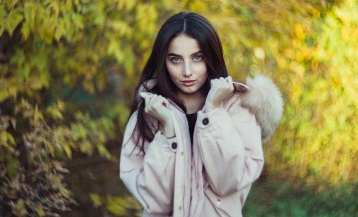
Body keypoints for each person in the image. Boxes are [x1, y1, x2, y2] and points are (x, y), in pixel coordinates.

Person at [119, 12, 283, 217]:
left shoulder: (237, 110)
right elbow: (156, 203)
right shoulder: (150, 113)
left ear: (211, 56)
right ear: (163, 62)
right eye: (175, 59)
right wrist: (168, 131)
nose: (187, 71)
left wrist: (213, 113)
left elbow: (227, 183)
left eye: (197, 57)